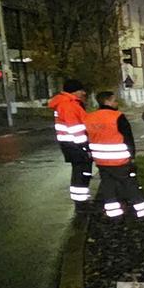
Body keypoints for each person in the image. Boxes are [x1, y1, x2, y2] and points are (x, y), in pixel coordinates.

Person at [85, 92, 144, 221]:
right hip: (119, 160)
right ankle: (143, 213)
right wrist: (132, 156)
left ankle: (114, 215)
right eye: (114, 100)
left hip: (101, 160)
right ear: (107, 101)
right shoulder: (117, 116)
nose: (117, 103)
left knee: (108, 187)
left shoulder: (90, 117)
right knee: (130, 185)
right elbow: (128, 138)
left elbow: (88, 137)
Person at [48, 79, 93, 209]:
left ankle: (81, 200)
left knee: (80, 171)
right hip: (76, 144)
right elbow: (75, 128)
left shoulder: (67, 103)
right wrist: (85, 147)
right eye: (81, 90)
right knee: (81, 172)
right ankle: (81, 203)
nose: (84, 93)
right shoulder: (69, 105)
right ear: (74, 91)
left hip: (70, 143)